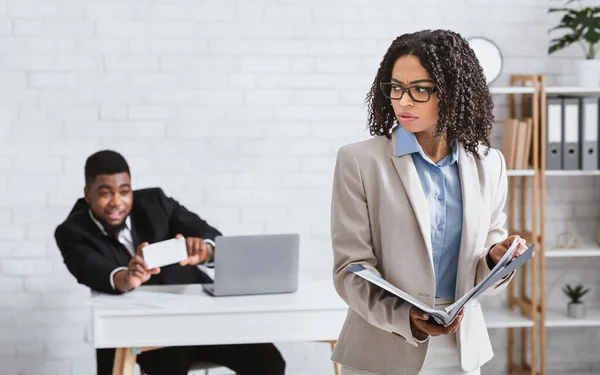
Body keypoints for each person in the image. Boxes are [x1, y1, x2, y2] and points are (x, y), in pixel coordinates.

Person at [330, 30, 528, 375]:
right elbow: (351, 270)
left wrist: (498, 256)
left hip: (461, 350)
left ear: (451, 92)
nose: (403, 101)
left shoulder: (489, 163)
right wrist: (407, 318)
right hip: (382, 350)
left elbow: (483, 264)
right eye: (395, 88)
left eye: (420, 90)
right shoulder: (360, 162)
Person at [54, 150, 285, 375]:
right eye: (105, 193)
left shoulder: (155, 202)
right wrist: (127, 277)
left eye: (124, 192)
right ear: (87, 193)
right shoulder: (72, 231)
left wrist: (205, 250)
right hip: (146, 331)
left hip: (199, 318)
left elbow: (207, 233)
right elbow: (92, 268)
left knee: (268, 361)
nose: (117, 202)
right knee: (168, 364)